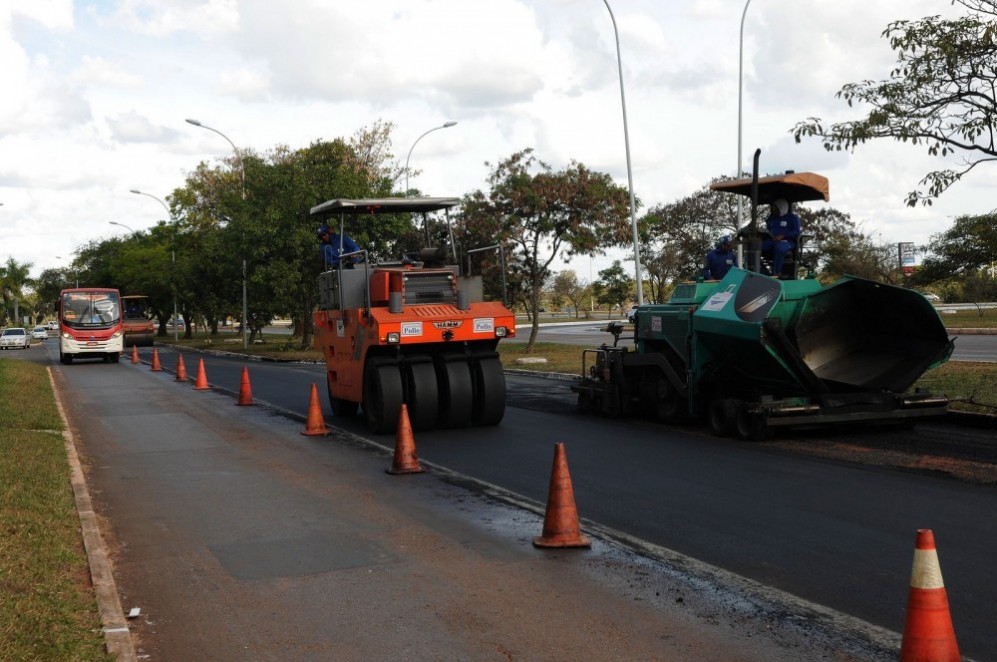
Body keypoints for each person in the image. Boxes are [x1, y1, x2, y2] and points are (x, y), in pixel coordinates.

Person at [762, 198, 801, 277]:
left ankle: (775, 274)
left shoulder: (792, 218)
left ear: (781, 207)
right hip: (772, 241)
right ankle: (762, 272)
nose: (773, 209)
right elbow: (768, 229)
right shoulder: (772, 218)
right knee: (757, 247)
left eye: (775, 207)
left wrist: (783, 236)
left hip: (787, 242)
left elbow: (797, 232)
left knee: (779, 248)